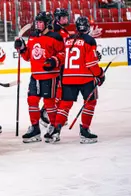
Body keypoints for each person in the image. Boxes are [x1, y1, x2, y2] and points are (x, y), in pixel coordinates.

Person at [50, 16, 105, 144]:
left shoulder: (69, 39)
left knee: (65, 105)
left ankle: (56, 130)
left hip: (68, 77)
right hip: (85, 78)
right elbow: (91, 63)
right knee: (90, 102)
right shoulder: (90, 40)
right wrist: (100, 74)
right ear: (87, 27)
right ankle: (85, 130)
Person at [14, 12, 65, 143]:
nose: (38, 24)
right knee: (32, 100)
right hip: (35, 76)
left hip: (50, 76)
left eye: (40, 22)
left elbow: (63, 54)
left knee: (49, 103)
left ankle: (54, 127)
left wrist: (54, 61)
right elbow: (28, 57)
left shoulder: (56, 37)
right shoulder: (32, 37)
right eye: (37, 22)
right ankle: (35, 128)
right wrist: (22, 48)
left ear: (47, 23)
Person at [39, 8, 70, 127]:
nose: (66, 19)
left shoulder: (61, 30)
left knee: (59, 91)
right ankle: (45, 113)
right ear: (57, 19)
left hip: (59, 64)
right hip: (57, 66)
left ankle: (48, 113)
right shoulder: (56, 31)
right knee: (58, 91)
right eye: (63, 17)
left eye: (66, 17)